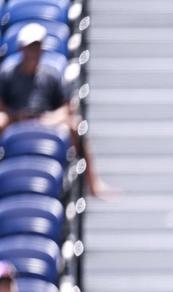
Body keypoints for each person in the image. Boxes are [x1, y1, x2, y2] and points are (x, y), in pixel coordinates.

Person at [0, 23, 109, 197]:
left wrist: (49, 118)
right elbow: (2, 105)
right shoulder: (7, 74)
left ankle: (93, 184)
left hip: (47, 120)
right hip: (15, 120)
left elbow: (66, 107)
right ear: (21, 48)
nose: (33, 53)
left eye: (36, 48)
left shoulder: (51, 75)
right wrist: (16, 116)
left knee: (75, 126)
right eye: (29, 48)